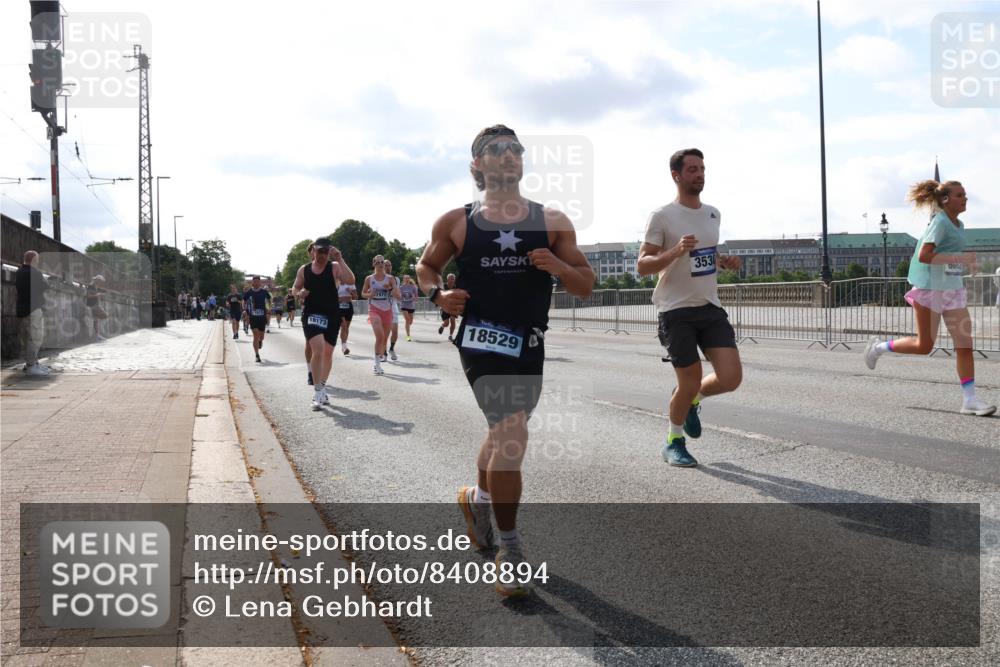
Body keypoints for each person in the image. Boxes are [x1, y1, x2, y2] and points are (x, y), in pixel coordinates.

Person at [417, 124, 594, 598]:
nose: (508, 154)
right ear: (477, 165)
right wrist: (440, 294)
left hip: (529, 342)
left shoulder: (552, 220)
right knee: (512, 431)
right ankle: (510, 551)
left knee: (502, 431)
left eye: (515, 148)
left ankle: (477, 499)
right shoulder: (457, 222)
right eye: (495, 149)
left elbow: (585, 284)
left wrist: (557, 267)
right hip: (479, 339)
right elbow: (425, 266)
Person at [637, 147, 744, 468]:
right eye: (693, 169)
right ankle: (674, 441)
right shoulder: (662, 216)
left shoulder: (713, 213)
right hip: (676, 310)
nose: (700, 174)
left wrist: (725, 263)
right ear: (677, 175)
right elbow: (643, 265)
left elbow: (704, 258)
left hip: (709, 306)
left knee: (731, 378)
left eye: (702, 169)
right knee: (689, 380)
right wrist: (675, 251)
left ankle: (692, 400)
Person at [865, 179, 995, 416]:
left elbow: (946, 256)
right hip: (930, 289)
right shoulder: (940, 222)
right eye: (960, 195)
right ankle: (879, 347)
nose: (965, 198)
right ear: (945, 200)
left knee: (965, 345)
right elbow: (925, 255)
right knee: (924, 345)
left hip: (952, 289)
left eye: (965, 194)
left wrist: (964, 264)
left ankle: (970, 400)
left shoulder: (959, 224)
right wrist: (961, 260)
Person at [293, 237, 356, 409]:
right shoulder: (304, 270)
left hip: (332, 315)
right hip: (312, 313)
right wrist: (300, 293)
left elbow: (350, 280)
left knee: (328, 353)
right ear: (313, 250)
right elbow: (295, 287)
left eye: (325, 252)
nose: (322, 255)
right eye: (319, 251)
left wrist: (340, 258)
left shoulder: (334, 267)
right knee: (318, 350)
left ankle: (322, 386)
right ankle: (318, 391)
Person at [362, 255, 400, 375]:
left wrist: (390, 289)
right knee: (379, 336)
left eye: (382, 262)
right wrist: (370, 295)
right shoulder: (369, 279)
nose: (380, 264)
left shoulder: (390, 279)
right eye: (377, 262)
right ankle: (377, 364)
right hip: (374, 310)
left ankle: (381, 356)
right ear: (373, 264)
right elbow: (363, 294)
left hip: (387, 311)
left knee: (384, 339)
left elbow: (398, 296)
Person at [16, 250, 49, 376]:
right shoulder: (35, 272)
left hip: (21, 309)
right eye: (37, 260)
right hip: (34, 308)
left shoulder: (19, 272)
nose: (38, 262)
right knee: (35, 337)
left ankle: (32, 363)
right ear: (34, 260)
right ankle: (31, 366)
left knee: (26, 338)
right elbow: (46, 286)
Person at [243, 277, 271, 363]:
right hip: (253, 317)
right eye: (254, 282)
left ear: (260, 283)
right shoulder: (249, 292)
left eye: (258, 282)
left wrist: (268, 308)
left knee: (261, 336)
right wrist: (244, 309)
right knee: (255, 334)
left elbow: (269, 300)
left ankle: (260, 341)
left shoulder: (264, 292)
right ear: (252, 283)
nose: (256, 283)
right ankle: (257, 355)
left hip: (262, 316)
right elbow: (244, 301)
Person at [384, 260, 401, 360]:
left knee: (395, 332)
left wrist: (391, 289)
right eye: (386, 265)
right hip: (381, 307)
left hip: (393, 306)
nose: (388, 267)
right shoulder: (379, 278)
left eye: (389, 265)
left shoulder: (396, 279)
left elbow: (398, 295)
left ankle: (391, 349)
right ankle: (383, 352)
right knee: (384, 332)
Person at [338, 280, 357, 356]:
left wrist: (351, 292)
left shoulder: (350, 283)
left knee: (346, 328)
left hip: (348, 306)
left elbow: (356, 296)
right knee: (344, 326)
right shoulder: (336, 283)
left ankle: (344, 344)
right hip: (339, 306)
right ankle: (344, 346)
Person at [86, 275, 108, 341]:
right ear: (97, 280)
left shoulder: (95, 286)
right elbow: (88, 296)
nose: (100, 283)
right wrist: (98, 295)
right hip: (93, 305)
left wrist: (100, 293)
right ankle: (97, 335)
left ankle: (97, 336)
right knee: (105, 315)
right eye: (100, 281)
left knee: (96, 320)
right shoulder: (91, 286)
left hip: (94, 305)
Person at [437, 273, 458, 340]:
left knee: (453, 320)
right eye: (451, 278)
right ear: (447, 279)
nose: (452, 280)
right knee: (446, 323)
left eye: (453, 279)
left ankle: (450, 335)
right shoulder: (443, 286)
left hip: (453, 307)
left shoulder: (456, 287)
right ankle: (442, 326)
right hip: (444, 307)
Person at [399, 275, 419, 341]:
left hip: (411, 306)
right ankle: (408, 336)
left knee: (410, 321)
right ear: (403, 280)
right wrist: (401, 297)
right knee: (407, 320)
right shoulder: (401, 287)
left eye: (408, 278)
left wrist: (414, 298)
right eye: (405, 278)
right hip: (404, 305)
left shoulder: (413, 287)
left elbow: (416, 297)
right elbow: (399, 296)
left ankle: (408, 327)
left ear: (410, 279)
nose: (407, 279)